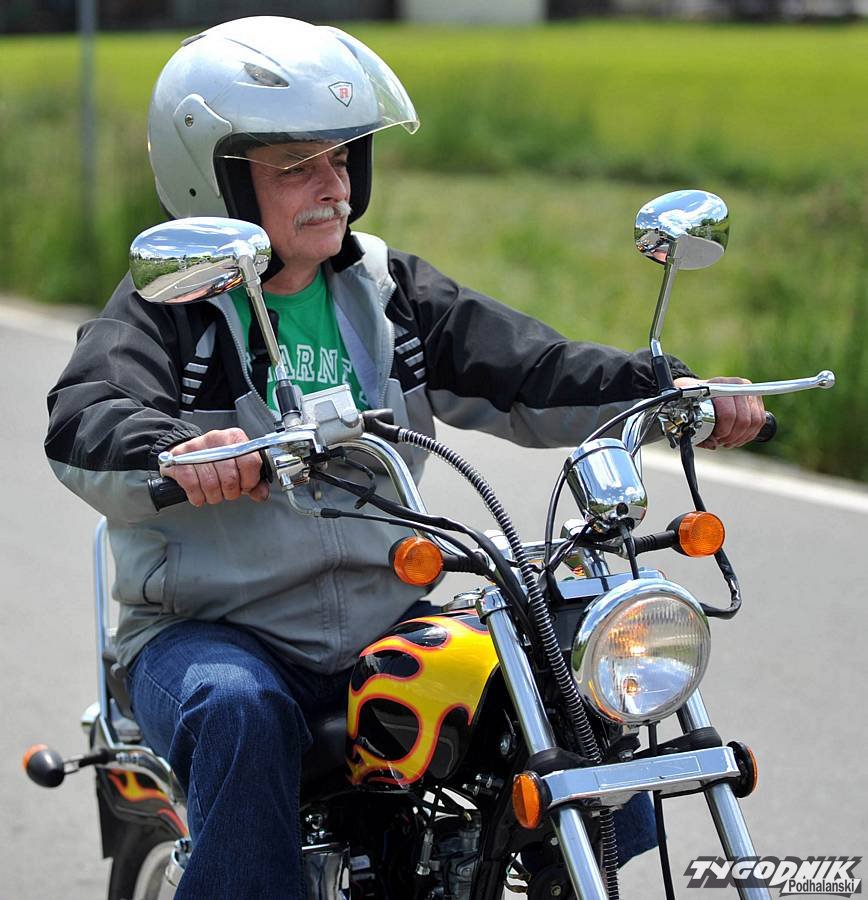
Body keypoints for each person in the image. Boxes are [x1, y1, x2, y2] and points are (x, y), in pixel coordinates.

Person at [45, 17, 765, 899]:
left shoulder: (389, 294)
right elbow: (86, 417)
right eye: (296, 165)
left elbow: (533, 370)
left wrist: (672, 388)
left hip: (382, 619)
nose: (334, 186)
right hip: (210, 631)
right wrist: (176, 453)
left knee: (562, 659)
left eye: (344, 158)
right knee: (237, 709)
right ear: (216, 179)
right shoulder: (169, 308)